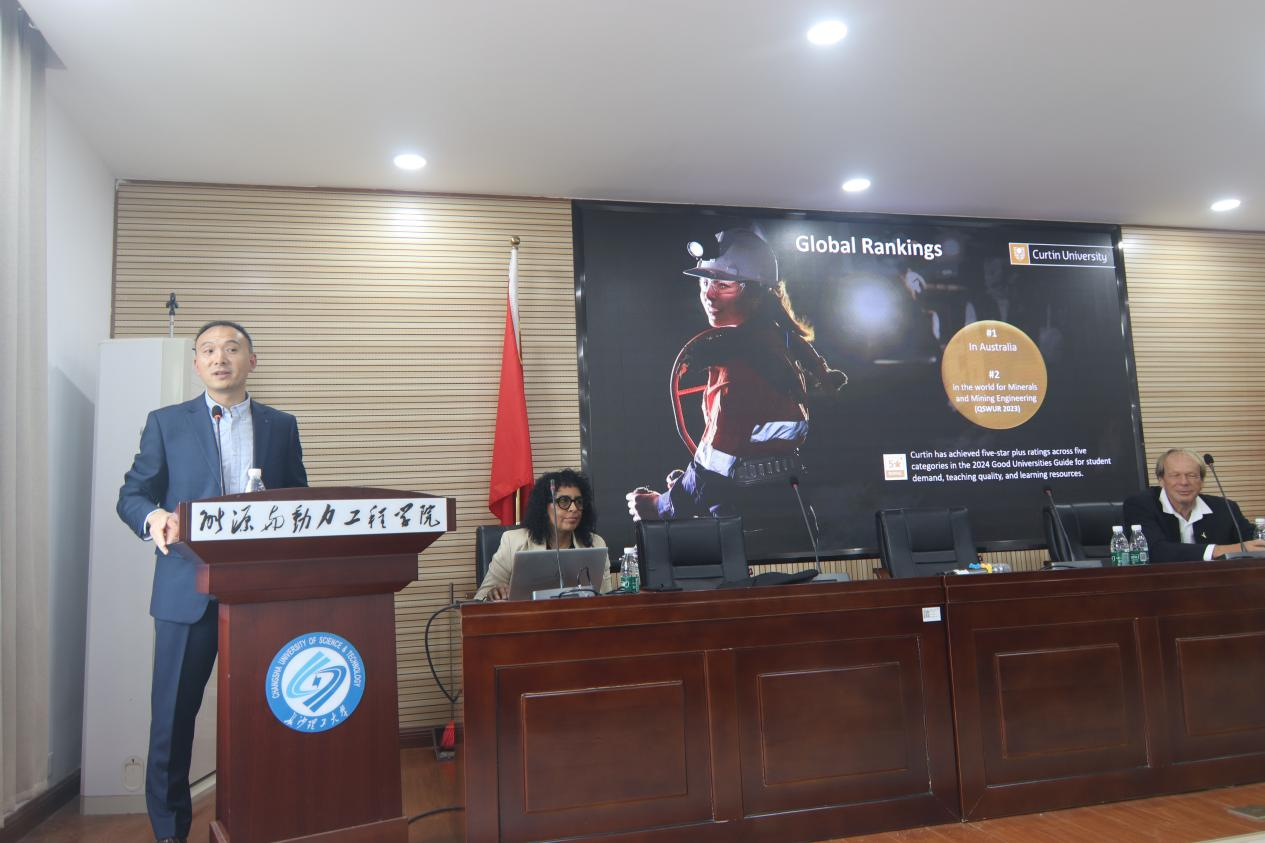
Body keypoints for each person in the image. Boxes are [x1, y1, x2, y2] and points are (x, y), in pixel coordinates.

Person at [116, 321, 308, 843]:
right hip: (186, 594)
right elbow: (132, 495)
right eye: (208, 350)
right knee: (172, 723)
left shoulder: (280, 426)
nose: (219, 358)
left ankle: (260, 822)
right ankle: (169, 833)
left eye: (231, 348)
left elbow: (299, 501)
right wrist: (154, 517)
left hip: (260, 597)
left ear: (252, 360)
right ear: (197, 364)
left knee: (270, 713)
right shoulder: (166, 423)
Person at [625, 229, 846, 557]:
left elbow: (713, 466)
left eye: (723, 285)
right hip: (789, 519)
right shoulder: (776, 340)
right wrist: (688, 485)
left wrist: (661, 505)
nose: (708, 294)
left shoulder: (739, 369)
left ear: (756, 293)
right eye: (704, 282)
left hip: (748, 533)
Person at [476, 469, 611, 600]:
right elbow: (481, 596)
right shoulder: (513, 541)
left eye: (579, 502)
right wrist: (493, 594)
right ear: (543, 507)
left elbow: (606, 599)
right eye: (564, 501)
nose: (574, 508)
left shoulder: (595, 544)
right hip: (528, 615)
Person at [1123, 448, 1265, 562]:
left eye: (1192, 475)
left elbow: (1253, 539)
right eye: (1175, 475)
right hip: (1161, 585)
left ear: (1202, 482)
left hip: (1217, 584)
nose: (1184, 482)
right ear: (1161, 480)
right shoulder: (1140, 505)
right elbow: (1154, 550)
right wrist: (1220, 550)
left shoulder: (1225, 508)